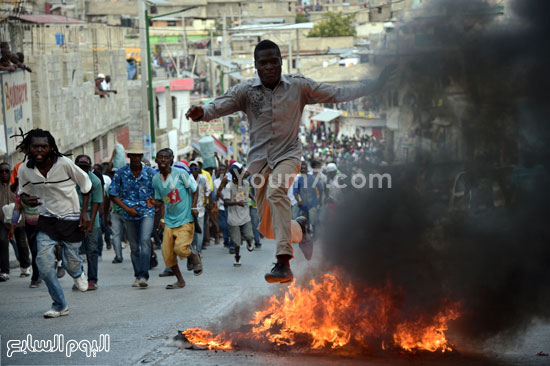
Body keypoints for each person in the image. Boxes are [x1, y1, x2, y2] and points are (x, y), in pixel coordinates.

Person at [186, 40, 394, 283]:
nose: (270, 67)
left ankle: (283, 262)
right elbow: (220, 104)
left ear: (281, 62)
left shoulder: (298, 86)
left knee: (277, 191)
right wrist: (202, 112)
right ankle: (300, 229)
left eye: (274, 61)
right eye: (263, 63)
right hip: (259, 164)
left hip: (288, 156)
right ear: (256, 66)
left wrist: (373, 86)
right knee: (267, 228)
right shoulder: (246, 91)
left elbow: (336, 92)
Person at [17, 129, 92, 318]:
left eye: (44, 146)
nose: (40, 150)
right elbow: (22, 192)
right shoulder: (25, 169)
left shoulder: (65, 164)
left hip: (71, 217)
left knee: (70, 263)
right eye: (35, 146)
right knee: (43, 264)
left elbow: (86, 185)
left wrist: (85, 213)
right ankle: (59, 305)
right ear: (29, 148)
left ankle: (78, 274)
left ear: (51, 147)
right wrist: (26, 200)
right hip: (46, 220)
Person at [149, 149, 202, 289]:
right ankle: (180, 280)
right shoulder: (155, 179)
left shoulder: (181, 174)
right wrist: (155, 205)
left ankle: (194, 254)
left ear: (171, 160)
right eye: (160, 157)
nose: (163, 160)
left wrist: (194, 207)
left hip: (185, 218)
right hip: (169, 220)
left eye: (166, 158)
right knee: (167, 254)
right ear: (156, 160)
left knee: (180, 248)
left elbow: (195, 189)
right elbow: (160, 200)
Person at [108, 142, 156, 288]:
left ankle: (144, 276)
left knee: (145, 241)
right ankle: (138, 275)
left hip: (147, 212)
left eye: (138, 155)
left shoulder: (150, 173)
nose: (136, 158)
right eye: (133, 155)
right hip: (129, 213)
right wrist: (126, 209)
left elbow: (159, 190)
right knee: (134, 246)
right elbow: (112, 194)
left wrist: (154, 202)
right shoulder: (121, 173)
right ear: (129, 156)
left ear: (142, 156)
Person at [75, 155, 103, 291]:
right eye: (80, 167)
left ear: (90, 168)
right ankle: (79, 278)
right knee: (73, 251)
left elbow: (97, 203)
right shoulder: (70, 180)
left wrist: (90, 224)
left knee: (92, 250)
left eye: (85, 167)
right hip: (73, 216)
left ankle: (92, 280)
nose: (82, 170)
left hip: (91, 217)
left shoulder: (95, 181)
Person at [0, 162, 31, 281]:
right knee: (2, 241)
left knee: (21, 243)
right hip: (2, 221)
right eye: (1, 172)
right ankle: (4, 271)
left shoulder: (17, 185)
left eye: (6, 171)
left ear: (10, 172)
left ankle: (25, 266)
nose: (4, 174)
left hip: (18, 220)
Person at [223, 163, 254, 267]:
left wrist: (253, 198)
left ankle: (250, 242)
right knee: (236, 242)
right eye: (241, 172)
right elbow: (225, 202)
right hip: (233, 217)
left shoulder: (246, 184)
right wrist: (237, 203)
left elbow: (247, 193)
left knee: (249, 235)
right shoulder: (229, 186)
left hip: (245, 215)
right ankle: (237, 257)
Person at [188, 160, 211, 256]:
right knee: (191, 230)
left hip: (201, 208)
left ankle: (198, 250)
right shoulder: (187, 179)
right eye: (191, 168)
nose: (193, 170)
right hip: (189, 209)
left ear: (199, 169)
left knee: (200, 229)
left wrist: (206, 201)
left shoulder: (203, 178)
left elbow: (208, 190)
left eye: (195, 168)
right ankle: (192, 248)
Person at [214, 164, 232, 250]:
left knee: (229, 225)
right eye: (220, 169)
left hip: (230, 206)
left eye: (223, 169)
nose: (221, 171)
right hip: (221, 206)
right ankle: (225, 240)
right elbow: (216, 193)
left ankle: (229, 242)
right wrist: (222, 199)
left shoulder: (229, 180)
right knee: (223, 225)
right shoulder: (216, 182)